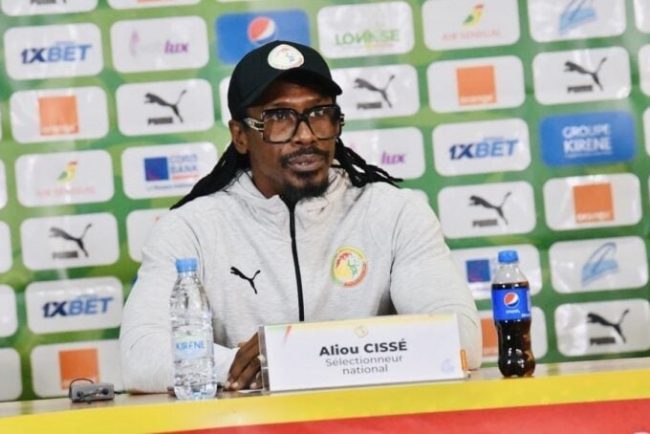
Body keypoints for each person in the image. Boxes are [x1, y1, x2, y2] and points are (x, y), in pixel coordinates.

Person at [119, 40, 481, 393]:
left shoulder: (395, 212)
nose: (306, 136)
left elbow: (461, 338)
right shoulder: (190, 228)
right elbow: (141, 356)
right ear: (240, 136)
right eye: (279, 117)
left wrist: (290, 354)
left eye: (320, 113)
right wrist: (232, 366)